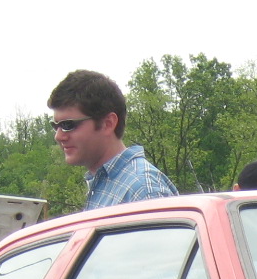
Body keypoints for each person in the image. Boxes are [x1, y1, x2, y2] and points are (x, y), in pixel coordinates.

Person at [47, 70, 177, 210]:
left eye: (67, 125)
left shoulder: (143, 191)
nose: (58, 136)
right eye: (55, 126)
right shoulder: (105, 185)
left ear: (108, 123)